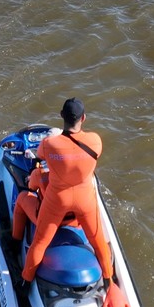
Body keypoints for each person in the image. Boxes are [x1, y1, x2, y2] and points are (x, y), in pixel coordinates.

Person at [20, 98, 113, 286]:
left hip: (57, 200)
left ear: (61, 115)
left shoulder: (48, 144)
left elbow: (40, 156)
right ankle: (109, 280)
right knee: (98, 241)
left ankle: (25, 284)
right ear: (84, 118)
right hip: (84, 199)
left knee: (40, 242)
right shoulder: (95, 141)